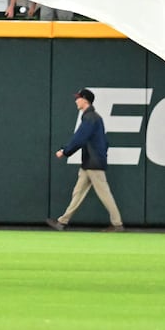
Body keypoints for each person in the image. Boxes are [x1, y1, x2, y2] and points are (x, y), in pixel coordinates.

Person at [48, 88, 125, 232]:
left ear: (85, 100)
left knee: (104, 194)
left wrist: (65, 151)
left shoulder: (90, 118)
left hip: (93, 162)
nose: (76, 100)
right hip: (90, 161)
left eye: (78, 98)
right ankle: (62, 222)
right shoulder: (94, 117)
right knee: (78, 192)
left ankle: (117, 224)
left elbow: (79, 138)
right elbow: (104, 142)